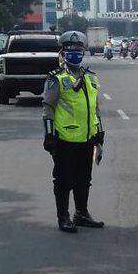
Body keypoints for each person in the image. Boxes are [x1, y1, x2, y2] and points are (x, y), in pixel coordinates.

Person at [42, 30, 105, 233]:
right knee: (63, 180)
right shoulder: (56, 78)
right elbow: (48, 108)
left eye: (79, 51)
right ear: (63, 53)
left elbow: (95, 108)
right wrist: (49, 135)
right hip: (64, 138)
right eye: (71, 51)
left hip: (86, 137)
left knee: (84, 179)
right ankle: (63, 217)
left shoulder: (90, 78)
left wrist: (99, 133)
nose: (75, 54)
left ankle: (81, 214)